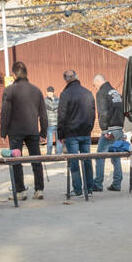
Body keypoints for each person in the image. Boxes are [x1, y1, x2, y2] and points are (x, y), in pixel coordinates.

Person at [0, 61, 47, 200]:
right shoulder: (36, 90)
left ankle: (20, 191)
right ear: (26, 73)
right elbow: (43, 114)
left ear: (14, 75)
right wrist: (43, 133)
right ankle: (39, 190)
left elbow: (5, 113)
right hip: (32, 130)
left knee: (16, 160)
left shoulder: (9, 90)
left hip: (15, 131)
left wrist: (3, 132)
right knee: (35, 159)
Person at [57, 69, 97, 197]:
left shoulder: (65, 94)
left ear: (66, 80)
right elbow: (92, 113)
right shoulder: (88, 93)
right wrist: (89, 128)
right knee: (87, 161)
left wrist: (60, 135)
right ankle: (89, 188)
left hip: (71, 133)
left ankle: (78, 190)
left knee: (74, 161)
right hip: (85, 132)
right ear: (77, 76)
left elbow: (61, 116)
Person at [93, 74, 125, 192]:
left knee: (100, 156)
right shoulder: (116, 92)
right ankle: (117, 183)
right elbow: (123, 110)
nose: (95, 87)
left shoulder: (101, 93)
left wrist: (105, 130)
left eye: (95, 85)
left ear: (98, 82)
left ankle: (97, 184)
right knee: (115, 157)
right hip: (119, 129)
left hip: (110, 129)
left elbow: (103, 113)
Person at [43, 86, 61, 155]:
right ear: (46, 92)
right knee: (50, 142)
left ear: (53, 92)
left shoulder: (58, 100)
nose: (49, 93)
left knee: (58, 141)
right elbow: (52, 107)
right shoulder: (45, 100)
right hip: (49, 123)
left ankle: (58, 155)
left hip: (57, 123)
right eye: (48, 92)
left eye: (51, 92)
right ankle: (49, 155)